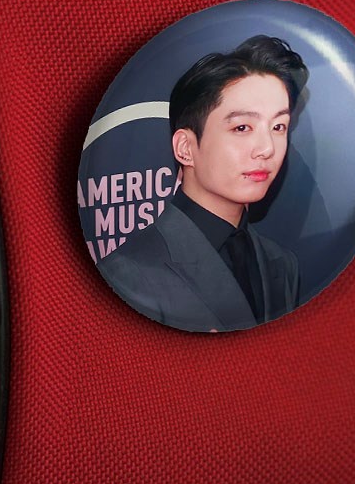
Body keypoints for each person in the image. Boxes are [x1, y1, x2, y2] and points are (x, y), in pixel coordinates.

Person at [102, 35, 309, 332]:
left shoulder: (283, 264)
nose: (267, 148)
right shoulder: (130, 273)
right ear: (186, 148)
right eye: (242, 127)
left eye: (278, 127)